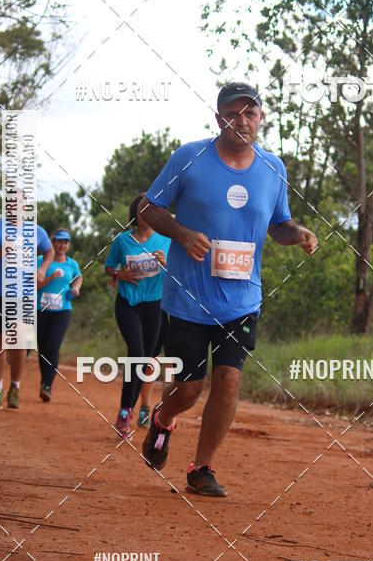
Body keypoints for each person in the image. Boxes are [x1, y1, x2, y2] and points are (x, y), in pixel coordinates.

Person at [139, 82, 318, 497]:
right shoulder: (190, 157)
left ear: (260, 119)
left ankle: (201, 469)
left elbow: (278, 225)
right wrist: (182, 234)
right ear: (218, 118)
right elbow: (149, 208)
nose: (242, 120)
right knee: (187, 389)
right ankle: (163, 419)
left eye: (250, 113)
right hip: (187, 298)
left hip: (241, 300)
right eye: (233, 113)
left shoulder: (273, 168)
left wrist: (299, 233)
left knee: (229, 381)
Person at [0, 195, 54, 409]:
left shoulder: (36, 231)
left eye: (18, 202)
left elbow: (49, 251)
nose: (14, 206)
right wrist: (1, 251)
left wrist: (42, 269)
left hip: (23, 294)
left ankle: (15, 388)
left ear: (24, 205)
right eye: (9, 202)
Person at [104, 194, 170, 439]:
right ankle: (125, 412)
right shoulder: (123, 241)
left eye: (153, 209)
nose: (149, 213)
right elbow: (108, 267)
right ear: (136, 214)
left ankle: (130, 409)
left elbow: (180, 272)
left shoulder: (166, 240)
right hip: (128, 304)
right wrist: (121, 274)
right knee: (137, 352)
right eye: (144, 209)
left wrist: (167, 263)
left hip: (154, 307)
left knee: (146, 359)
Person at [36, 229, 82, 401]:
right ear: (52, 242)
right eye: (59, 242)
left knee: (53, 345)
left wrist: (76, 288)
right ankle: (44, 380)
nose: (62, 245)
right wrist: (51, 278)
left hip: (62, 311)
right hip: (40, 310)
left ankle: (48, 385)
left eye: (66, 242)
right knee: (43, 348)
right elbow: (35, 286)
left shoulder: (72, 264)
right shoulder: (41, 261)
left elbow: (78, 277)